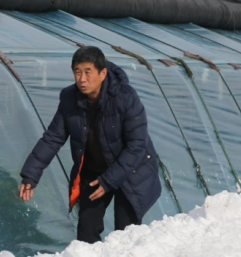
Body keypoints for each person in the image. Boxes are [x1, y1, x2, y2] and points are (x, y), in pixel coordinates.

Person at [19, 46, 161, 244]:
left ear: (103, 74)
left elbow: (137, 145)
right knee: (86, 231)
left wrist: (109, 180)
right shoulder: (70, 98)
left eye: (88, 72)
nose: (82, 79)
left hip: (130, 171)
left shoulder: (125, 97)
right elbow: (53, 138)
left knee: (125, 234)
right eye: (77, 72)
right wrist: (31, 174)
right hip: (94, 172)